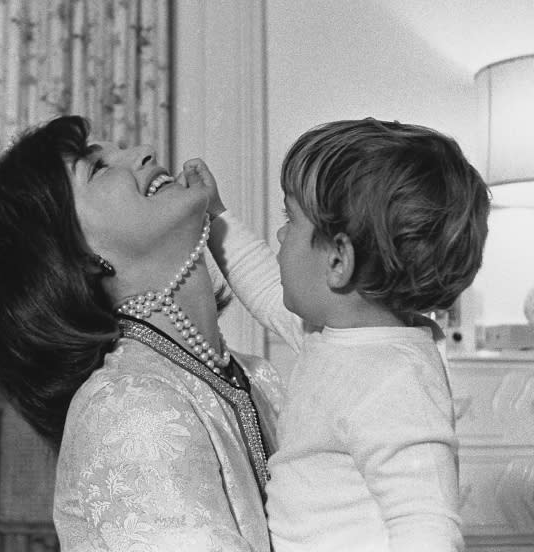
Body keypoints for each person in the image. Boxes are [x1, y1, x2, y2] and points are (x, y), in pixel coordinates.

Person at [0, 115, 284, 551]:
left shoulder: (258, 379)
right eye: (98, 168)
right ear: (72, 255)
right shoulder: (126, 408)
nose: (144, 151)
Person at [191, 118, 490, 551]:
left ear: (338, 260)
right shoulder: (336, 331)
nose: (279, 233)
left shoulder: (396, 381)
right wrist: (215, 216)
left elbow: (427, 526)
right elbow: (264, 285)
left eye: (290, 219)